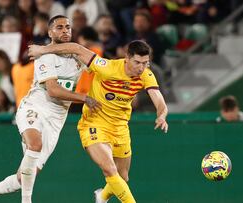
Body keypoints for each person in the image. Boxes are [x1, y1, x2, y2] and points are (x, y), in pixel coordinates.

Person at [0, 15, 101, 203]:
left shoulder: (78, 57)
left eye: (68, 27)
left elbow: (101, 67)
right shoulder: (45, 56)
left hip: (56, 119)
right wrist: (84, 98)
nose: (65, 30)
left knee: (23, 178)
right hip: (34, 107)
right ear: (50, 32)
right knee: (35, 145)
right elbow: (53, 90)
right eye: (59, 27)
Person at [29, 39, 168, 203]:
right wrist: (43, 50)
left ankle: (101, 197)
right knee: (109, 169)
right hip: (94, 124)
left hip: (120, 128)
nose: (141, 67)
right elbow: (76, 48)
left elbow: (159, 100)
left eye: (145, 63)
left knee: (122, 178)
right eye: (137, 62)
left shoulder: (146, 75)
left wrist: (161, 115)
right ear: (127, 58)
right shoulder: (107, 67)